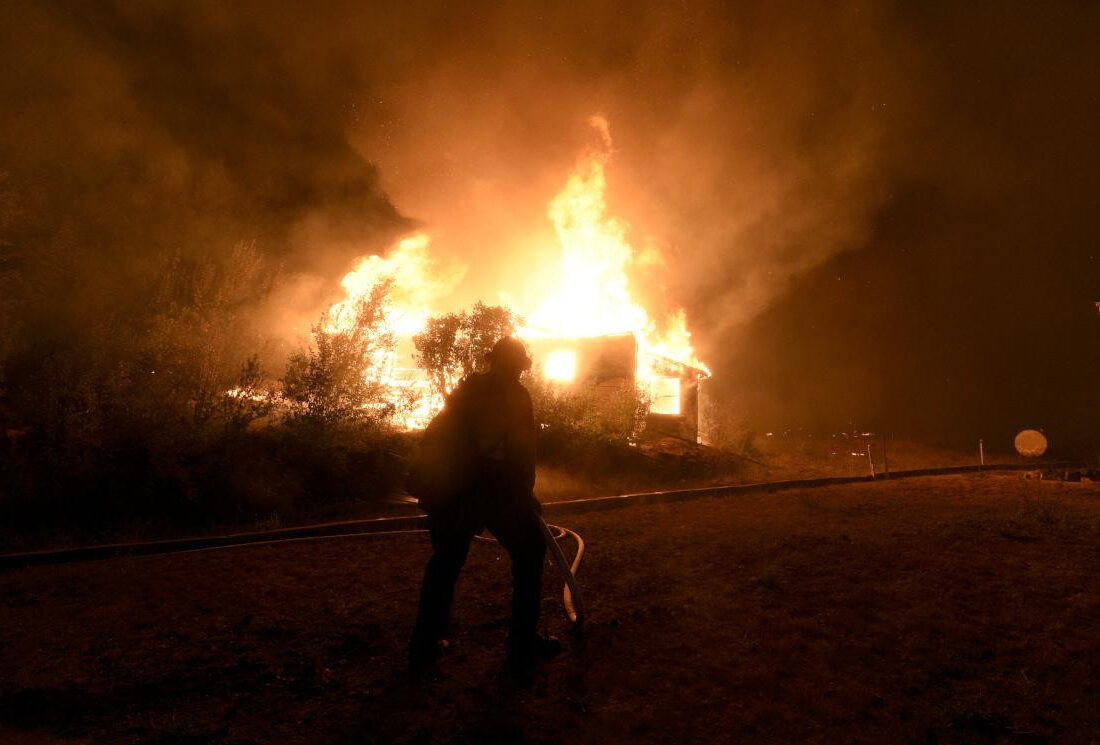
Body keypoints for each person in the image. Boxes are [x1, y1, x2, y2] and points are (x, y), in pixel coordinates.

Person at [409, 336, 560, 669]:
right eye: (520, 366)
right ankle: (521, 642)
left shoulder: (468, 390)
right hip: (488, 491)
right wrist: (526, 498)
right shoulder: (516, 396)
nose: (521, 372)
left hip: (448, 489)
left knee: (445, 562)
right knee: (531, 551)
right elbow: (522, 456)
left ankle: (425, 642)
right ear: (516, 366)